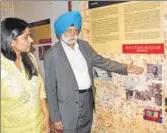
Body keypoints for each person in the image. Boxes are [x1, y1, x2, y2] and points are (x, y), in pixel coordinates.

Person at [44, 11, 144, 133]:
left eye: (75, 30)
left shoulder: (84, 46)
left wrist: (125, 68)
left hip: (87, 99)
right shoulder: (52, 55)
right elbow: (50, 88)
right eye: (68, 31)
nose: (72, 34)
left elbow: (102, 62)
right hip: (67, 106)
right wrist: (55, 117)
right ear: (60, 32)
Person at [1, 18, 50, 133]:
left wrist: (46, 117)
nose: (31, 40)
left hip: (38, 126)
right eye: (26, 37)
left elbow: (40, 90)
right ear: (11, 40)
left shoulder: (30, 58)